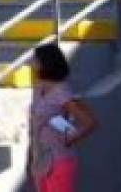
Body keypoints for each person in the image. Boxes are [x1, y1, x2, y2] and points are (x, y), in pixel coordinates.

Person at [29, 43, 97, 192]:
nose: (31, 61)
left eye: (35, 58)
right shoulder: (38, 87)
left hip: (59, 160)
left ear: (45, 63)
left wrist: (71, 138)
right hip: (39, 160)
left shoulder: (61, 91)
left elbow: (89, 121)